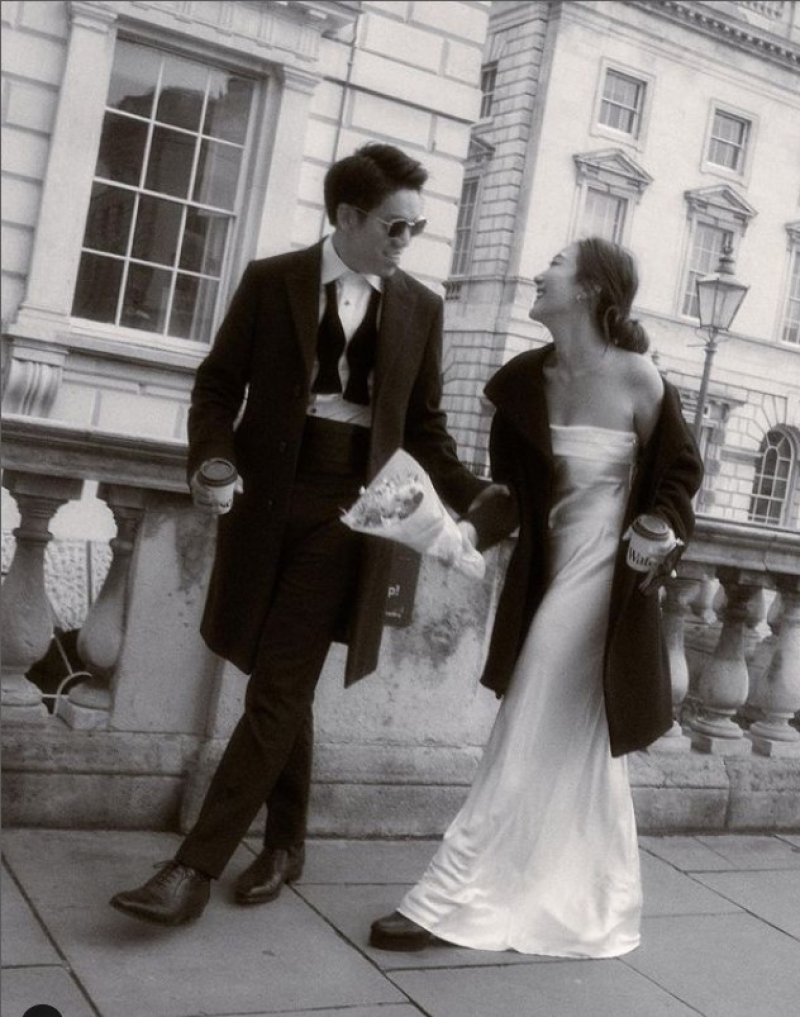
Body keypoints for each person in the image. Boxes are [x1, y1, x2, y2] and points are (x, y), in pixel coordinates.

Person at [110, 143, 492, 927]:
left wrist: (482, 497)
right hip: (264, 500)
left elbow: (425, 429)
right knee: (278, 675)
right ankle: (286, 843)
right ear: (347, 216)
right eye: (394, 225)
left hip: (352, 512)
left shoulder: (421, 307)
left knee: (279, 683)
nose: (405, 241)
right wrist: (212, 461)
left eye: (415, 228)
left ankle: (192, 868)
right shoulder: (272, 280)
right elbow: (218, 386)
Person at [370, 236, 704, 957]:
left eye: (555, 263)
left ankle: (445, 897)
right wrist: (459, 530)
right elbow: (511, 497)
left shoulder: (640, 379)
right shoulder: (521, 383)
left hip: (605, 581)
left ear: (589, 289)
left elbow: (681, 476)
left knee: (524, 722)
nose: (539, 272)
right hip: (547, 573)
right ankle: (591, 898)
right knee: (577, 746)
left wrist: (659, 525)